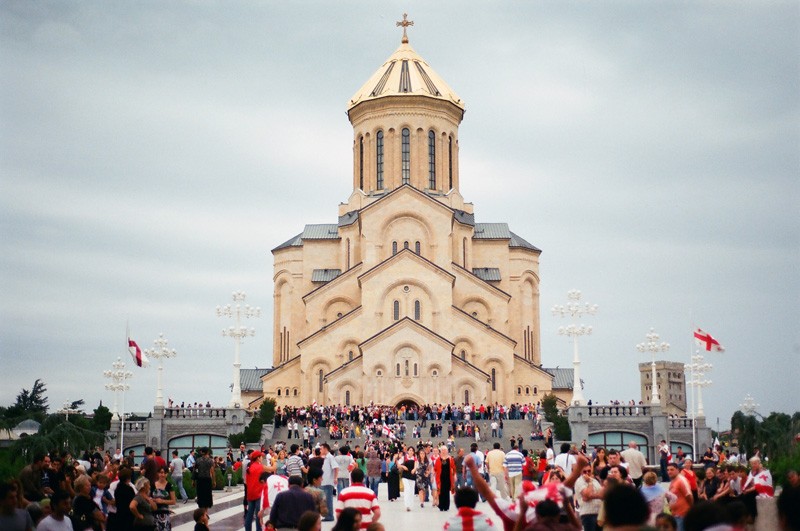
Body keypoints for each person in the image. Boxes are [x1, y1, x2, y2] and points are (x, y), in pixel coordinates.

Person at [574, 463, 602, 531]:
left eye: (589, 471)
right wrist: (589, 483)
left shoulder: (595, 481)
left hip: (599, 513)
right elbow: (587, 495)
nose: (587, 473)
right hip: (588, 514)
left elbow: (602, 494)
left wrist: (593, 496)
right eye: (584, 471)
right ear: (581, 471)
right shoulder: (579, 481)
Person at [667, 462, 693, 531]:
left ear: (677, 470)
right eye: (668, 470)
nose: (669, 472)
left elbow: (689, 496)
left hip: (682, 514)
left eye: (672, 469)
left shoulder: (682, 480)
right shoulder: (673, 481)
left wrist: (690, 509)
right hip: (675, 514)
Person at [110, 466, 135, 531]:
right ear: (128, 478)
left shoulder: (118, 488)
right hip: (128, 514)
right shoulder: (129, 489)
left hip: (119, 513)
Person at [245, 451, 265, 531]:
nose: (262, 458)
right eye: (261, 457)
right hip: (258, 493)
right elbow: (273, 469)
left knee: (249, 514)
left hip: (250, 493)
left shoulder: (249, 467)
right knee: (258, 515)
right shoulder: (260, 467)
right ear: (258, 458)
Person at [151, 467, 176, 531]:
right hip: (154, 513)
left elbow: (173, 501)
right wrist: (154, 500)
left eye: (165, 473)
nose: (163, 475)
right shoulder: (153, 485)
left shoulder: (169, 485)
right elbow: (148, 497)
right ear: (158, 473)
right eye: (161, 473)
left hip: (164, 513)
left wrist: (162, 501)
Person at [320, 443, 339, 521]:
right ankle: (327, 515)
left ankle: (330, 516)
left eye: (321, 448)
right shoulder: (325, 458)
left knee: (328, 500)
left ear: (325, 449)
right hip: (324, 481)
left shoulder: (330, 457)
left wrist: (335, 478)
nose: (320, 450)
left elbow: (336, 467)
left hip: (328, 481)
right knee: (325, 500)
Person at [434, 446, 456, 511]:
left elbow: (454, 468)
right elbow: (435, 468)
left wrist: (454, 475)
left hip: (448, 478)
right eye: (442, 450)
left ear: (447, 451)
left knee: (446, 492)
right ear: (440, 451)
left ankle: (446, 506)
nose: (443, 451)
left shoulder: (450, 459)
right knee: (441, 492)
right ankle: (441, 506)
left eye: (445, 450)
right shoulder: (438, 459)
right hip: (440, 478)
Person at [399, 447, 417, 512]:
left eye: (412, 450)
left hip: (412, 475)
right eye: (410, 450)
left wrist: (414, 469)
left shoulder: (415, 458)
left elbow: (416, 466)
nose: (411, 451)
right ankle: (406, 505)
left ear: (413, 452)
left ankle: (410, 505)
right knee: (407, 489)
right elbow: (398, 464)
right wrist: (403, 466)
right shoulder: (404, 457)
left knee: (412, 490)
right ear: (408, 451)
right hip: (405, 475)